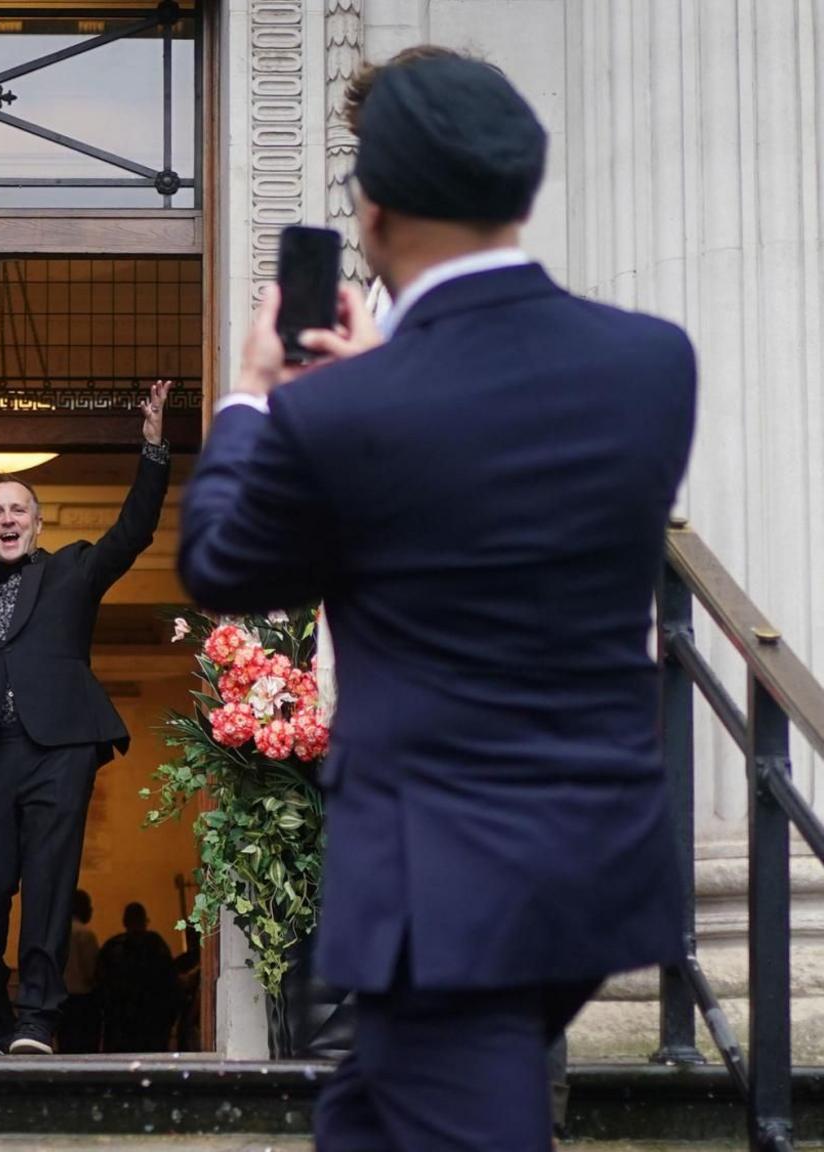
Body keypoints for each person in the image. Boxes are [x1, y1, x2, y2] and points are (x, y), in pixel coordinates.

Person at [177, 48, 693, 1150]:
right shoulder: (652, 366)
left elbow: (221, 562)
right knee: (367, 1117)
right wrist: (382, 375)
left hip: (437, 884)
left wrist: (253, 397)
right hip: (591, 856)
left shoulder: (344, 414)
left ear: (369, 210)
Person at [0, 379, 173, 1056]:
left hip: (60, 746)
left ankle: (37, 1015)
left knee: (48, 882)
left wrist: (152, 451)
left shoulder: (72, 569)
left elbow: (134, 531)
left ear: (37, 524)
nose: (6, 519)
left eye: (18, 510)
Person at [95, 902, 180, 1053]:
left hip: (122, 1025)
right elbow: (171, 984)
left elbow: (101, 985)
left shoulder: (113, 947)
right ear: (144, 921)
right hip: (151, 1024)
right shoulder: (156, 946)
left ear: (124, 922)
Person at [57, 889, 102, 1054]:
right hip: (83, 1000)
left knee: (66, 1047)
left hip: (61, 999)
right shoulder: (85, 933)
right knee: (86, 1048)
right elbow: (91, 971)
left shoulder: (57, 932)